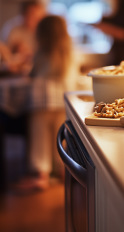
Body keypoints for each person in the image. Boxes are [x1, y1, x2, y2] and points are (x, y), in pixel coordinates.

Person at [17, 15, 78, 191]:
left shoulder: (41, 53)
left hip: (41, 101)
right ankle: (62, 170)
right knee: (61, 138)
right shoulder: (69, 54)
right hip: (63, 101)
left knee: (40, 138)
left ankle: (41, 173)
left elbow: (32, 75)